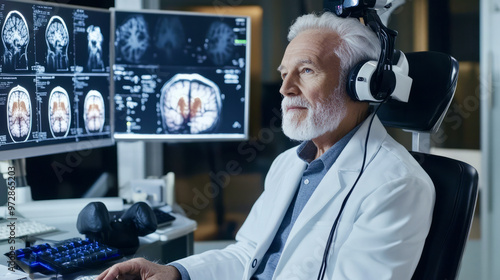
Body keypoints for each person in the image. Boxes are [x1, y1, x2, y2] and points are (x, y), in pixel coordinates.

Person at [97, 11, 435, 280]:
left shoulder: (396, 185)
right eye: (284, 72)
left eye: (306, 70)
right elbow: (247, 255)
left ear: (360, 85)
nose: (286, 87)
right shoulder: (289, 164)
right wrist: (175, 272)